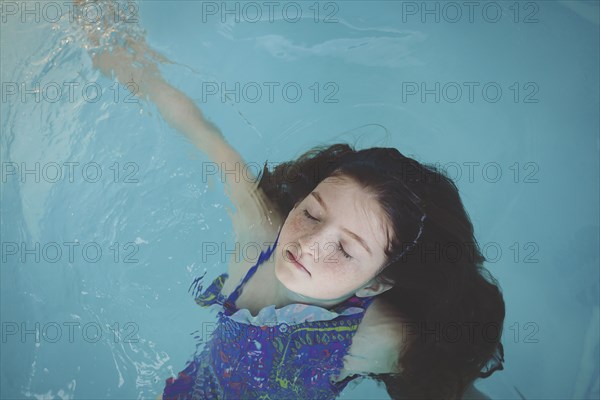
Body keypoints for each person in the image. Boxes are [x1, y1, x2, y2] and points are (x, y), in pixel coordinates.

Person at [73, 3, 505, 398]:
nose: (308, 244)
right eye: (313, 213)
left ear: (376, 283)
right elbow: (203, 134)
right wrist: (117, 47)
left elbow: (441, 384)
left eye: (345, 248)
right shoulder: (259, 237)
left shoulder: (377, 336)